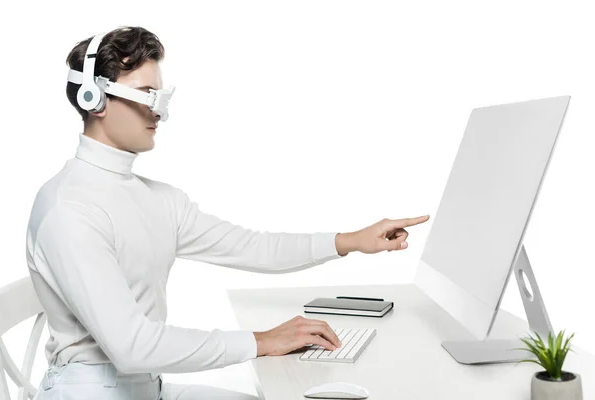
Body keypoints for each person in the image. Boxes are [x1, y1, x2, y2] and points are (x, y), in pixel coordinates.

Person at [26, 25, 430, 400]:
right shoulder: (69, 210)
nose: (159, 112)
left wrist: (349, 241)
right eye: (147, 94)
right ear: (93, 99)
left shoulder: (158, 200)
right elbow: (132, 347)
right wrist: (260, 341)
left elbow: (251, 247)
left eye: (162, 97)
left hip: (146, 388)